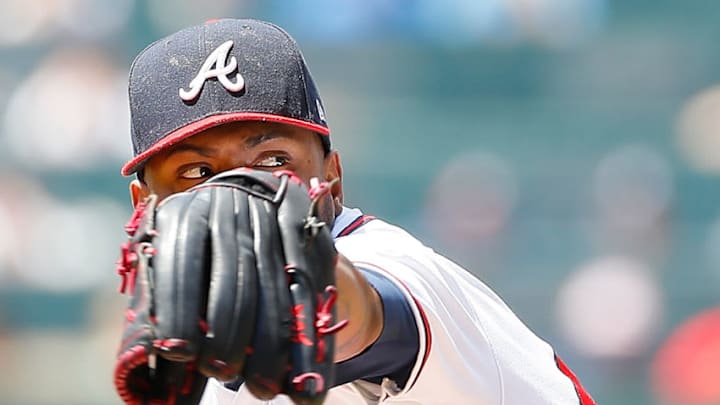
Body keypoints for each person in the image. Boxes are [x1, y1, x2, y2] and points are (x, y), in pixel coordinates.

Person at [117, 18, 596, 404]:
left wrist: (312, 291)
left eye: (273, 162)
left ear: (333, 178)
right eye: (198, 173)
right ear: (145, 209)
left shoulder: (402, 269)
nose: (237, 194)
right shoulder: (196, 343)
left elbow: (371, 320)